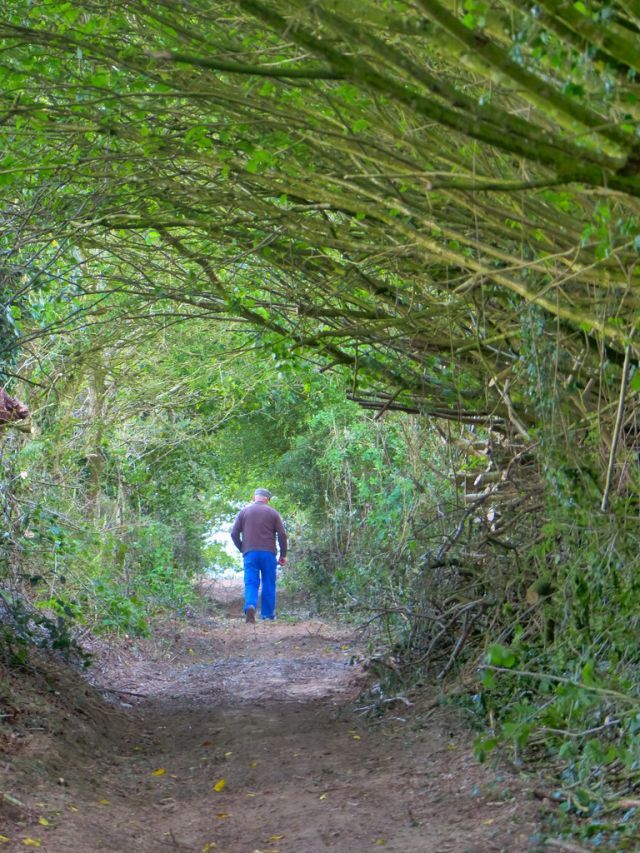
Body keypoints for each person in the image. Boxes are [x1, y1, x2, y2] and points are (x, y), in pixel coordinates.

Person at [230, 488, 287, 623]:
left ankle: (250, 605)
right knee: (268, 583)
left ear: (253, 497)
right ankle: (267, 616)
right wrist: (283, 554)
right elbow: (282, 535)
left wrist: (242, 548)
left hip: (250, 553)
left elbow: (234, 533)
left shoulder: (244, 512)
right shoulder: (273, 513)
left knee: (251, 582)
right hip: (268, 553)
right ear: (267, 499)